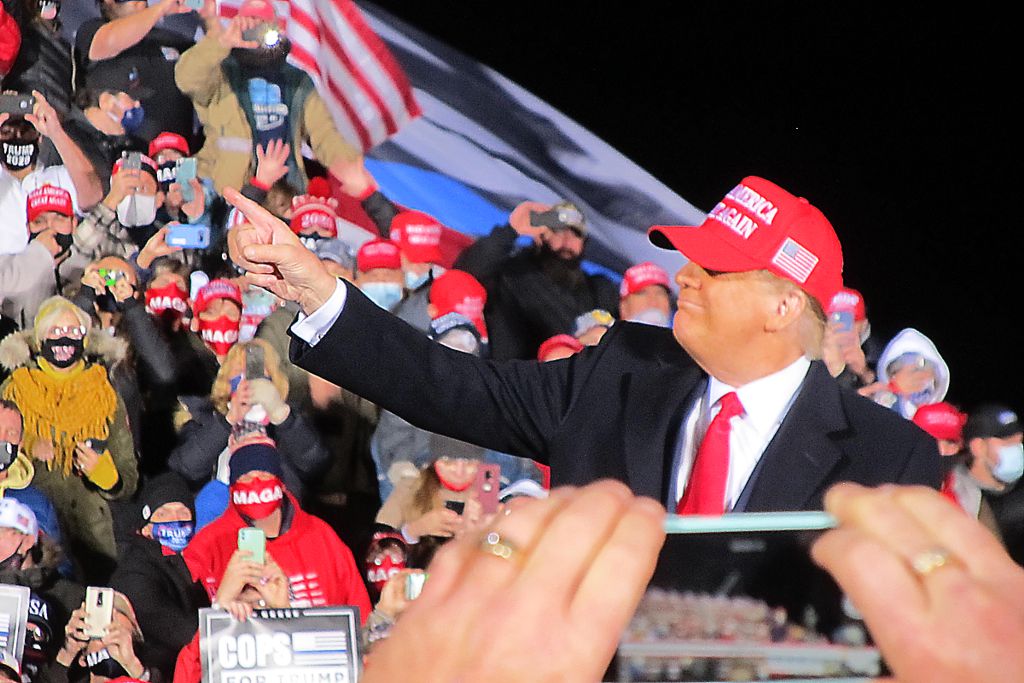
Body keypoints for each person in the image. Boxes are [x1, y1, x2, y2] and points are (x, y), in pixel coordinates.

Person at [225, 175, 942, 513]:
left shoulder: (889, 456)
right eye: (689, 257)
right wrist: (317, 289)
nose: (683, 275)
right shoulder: (621, 370)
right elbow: (452, 386)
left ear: (785, 303)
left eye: (713, 266)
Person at [0, 296, 137, 582]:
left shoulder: (105, 392)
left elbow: (129, 478)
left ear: (86, 339)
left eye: (74, 332)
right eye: (56, 331)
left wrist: (105, 474)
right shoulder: (15, 389)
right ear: (39, 338)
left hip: (92, 536)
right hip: (32, 529)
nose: (65, 339)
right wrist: (26, 446)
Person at [173, 0, 361, 193]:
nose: (256, 28)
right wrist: (222, 42)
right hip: (228, 188)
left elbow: (324, 135)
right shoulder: (221, 72)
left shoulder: (296, 80)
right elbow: (186, 78)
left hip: (285, 190)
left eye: (263, 23)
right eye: (250, 21)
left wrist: (349, 165)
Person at [181, 442, 371, 613]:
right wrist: (222, 602)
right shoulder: (208, 543)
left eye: (264, 475)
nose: (255, 483)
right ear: (232, 488)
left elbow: (358, 609)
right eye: (245, 478)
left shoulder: (320, 535)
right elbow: (188, 624)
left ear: (281, 483)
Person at [168, 338, 329, 505]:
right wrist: (228, 420)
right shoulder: (203, 415)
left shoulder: (291, 419)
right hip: (219, 515)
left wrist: (282, 417)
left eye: (255, 371)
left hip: (275, 515)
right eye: (239, 371)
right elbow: (186, 467)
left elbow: (315, 464)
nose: (247, 379)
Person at [453, 198, 619, 360]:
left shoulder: (600, 289)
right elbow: (464, 275)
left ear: (584, 243)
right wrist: (510, 231)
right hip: (513, 378)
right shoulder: (510, 273)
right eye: (558, 230)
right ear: (540, 236)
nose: (566, 240)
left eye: (575, 233)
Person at [109, 471, 210, 679]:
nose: (175, 520)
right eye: (163, 514)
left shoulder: (187, 560)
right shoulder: (134, 574)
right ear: (144, 528)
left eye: (183, 513)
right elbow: (188, 634)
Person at [74, 0, 198, 144]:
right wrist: (161, 8)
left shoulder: (172, 39)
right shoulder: (93, 30)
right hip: (122, 155)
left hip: (179, 152)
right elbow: (111, 40)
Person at [0, 91, 103, 255]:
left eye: (26, 131)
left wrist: (56, 132)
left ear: (39, 137)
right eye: (6, 132)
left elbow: (93, 194)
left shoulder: (58, 177)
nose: (17, 137)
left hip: (57, 269)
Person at [863, 327, 949, 419]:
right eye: (914, 371)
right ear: (893, 376)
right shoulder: (880, 407)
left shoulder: (942, 418)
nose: (923, 378)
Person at [821, 286, 879, 390]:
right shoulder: (803, 361)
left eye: (849, 322)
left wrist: (864, 374)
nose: (841, 329)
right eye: (832, 322)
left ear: (864, 326)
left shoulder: (880, 366)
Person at [618, 260, 673, 327]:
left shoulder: (685, 335)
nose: (653, 301)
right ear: (624, 307)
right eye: (642, 293)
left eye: (660, 293)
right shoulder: (605, 335)